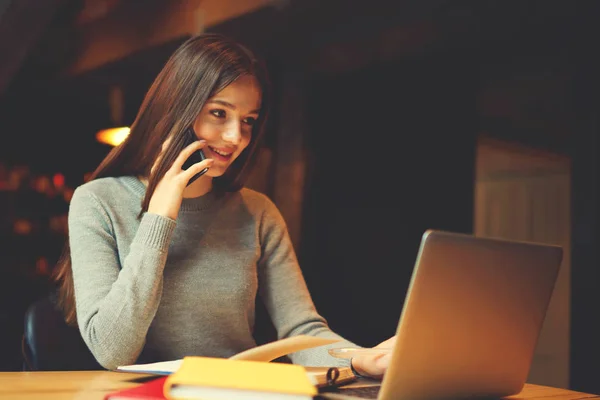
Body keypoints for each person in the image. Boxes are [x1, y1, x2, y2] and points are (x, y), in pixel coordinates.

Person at [53, 33, 394, 378]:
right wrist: (159, 218)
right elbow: (111, 350)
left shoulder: (257, 212)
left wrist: (359, 358)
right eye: (219, 113)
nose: (236, 137)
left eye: (248, 120)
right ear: (176, 109)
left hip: (235, 390)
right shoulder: (97, 201)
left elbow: (300, 331)